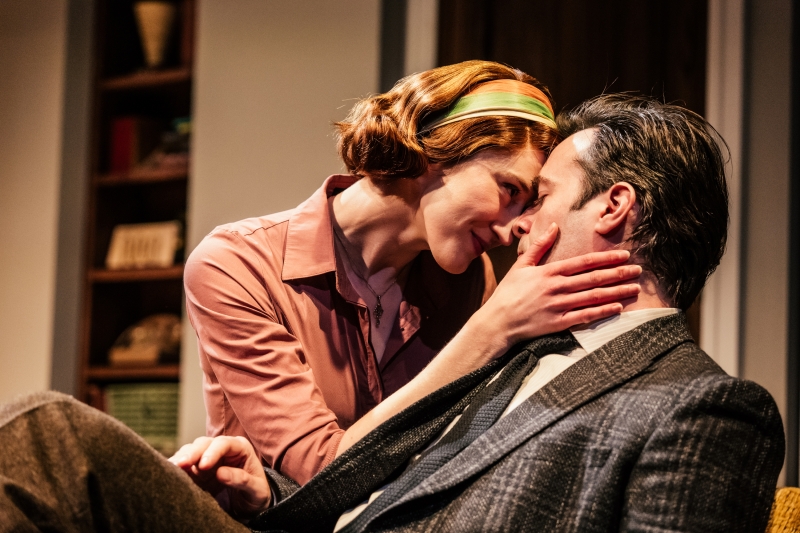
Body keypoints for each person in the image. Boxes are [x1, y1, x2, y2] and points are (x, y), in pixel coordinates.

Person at [0, 94, 782, 532]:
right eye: (514, 194)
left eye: (539, 197)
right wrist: (270, 494)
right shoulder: (522, 344)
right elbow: (399, 480)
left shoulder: (701, 406)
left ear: (614, 208)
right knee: (52, 442)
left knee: (50, 434)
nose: (519, 229)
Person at [185, 60, 639, 485]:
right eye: (508, 190)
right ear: (435, 150)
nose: (509, 231)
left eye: (527, 204)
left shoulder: (468, 278)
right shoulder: (237, 264)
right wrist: (490, 330)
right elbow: (321, 471)